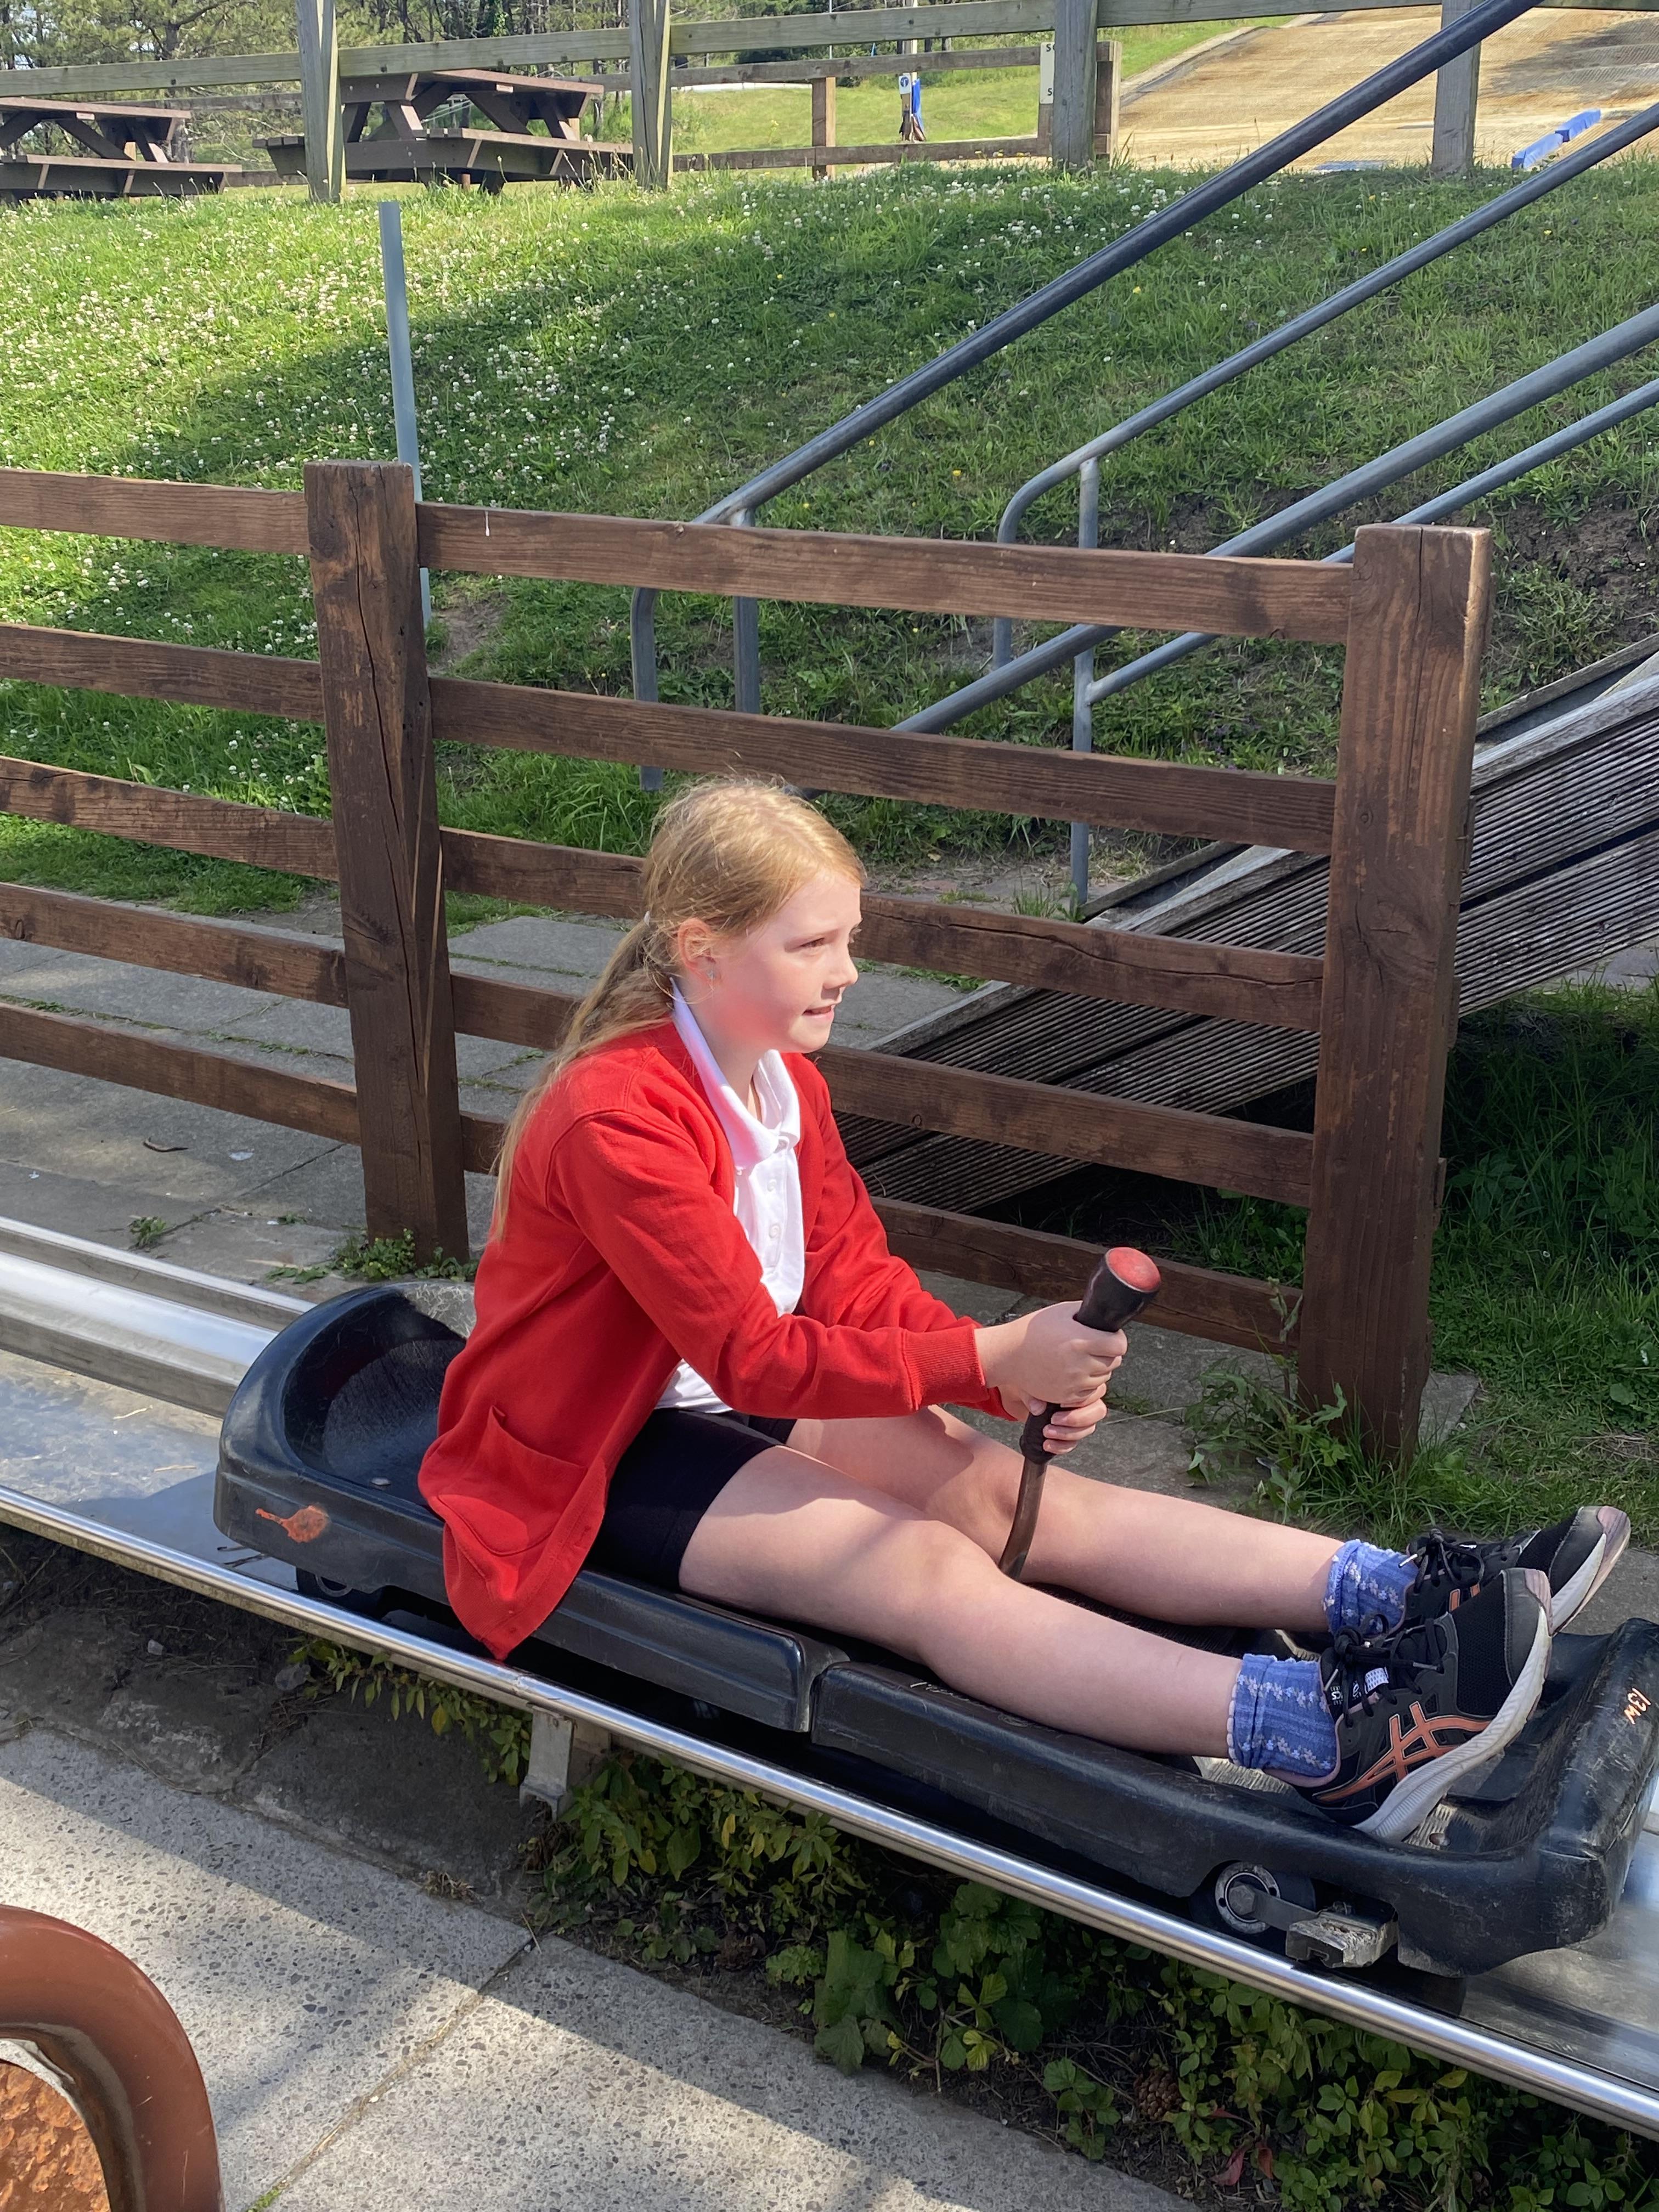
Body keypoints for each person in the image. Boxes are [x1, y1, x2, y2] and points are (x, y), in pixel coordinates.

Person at [419, 779, 1628, 1844]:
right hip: (591, 1452)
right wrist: (991, 1348)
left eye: (851, 937)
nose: (848, 971)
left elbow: (851, 1282)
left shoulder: (780, 1082)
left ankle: (1401, 1593)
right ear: (703, 951)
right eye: (813, 943)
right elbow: (756, 1355)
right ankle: (1331, 1740)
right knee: (921, 1572)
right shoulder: (618, 1116)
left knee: (1008, 1500)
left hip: (719, 1397)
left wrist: (1003, 1377)